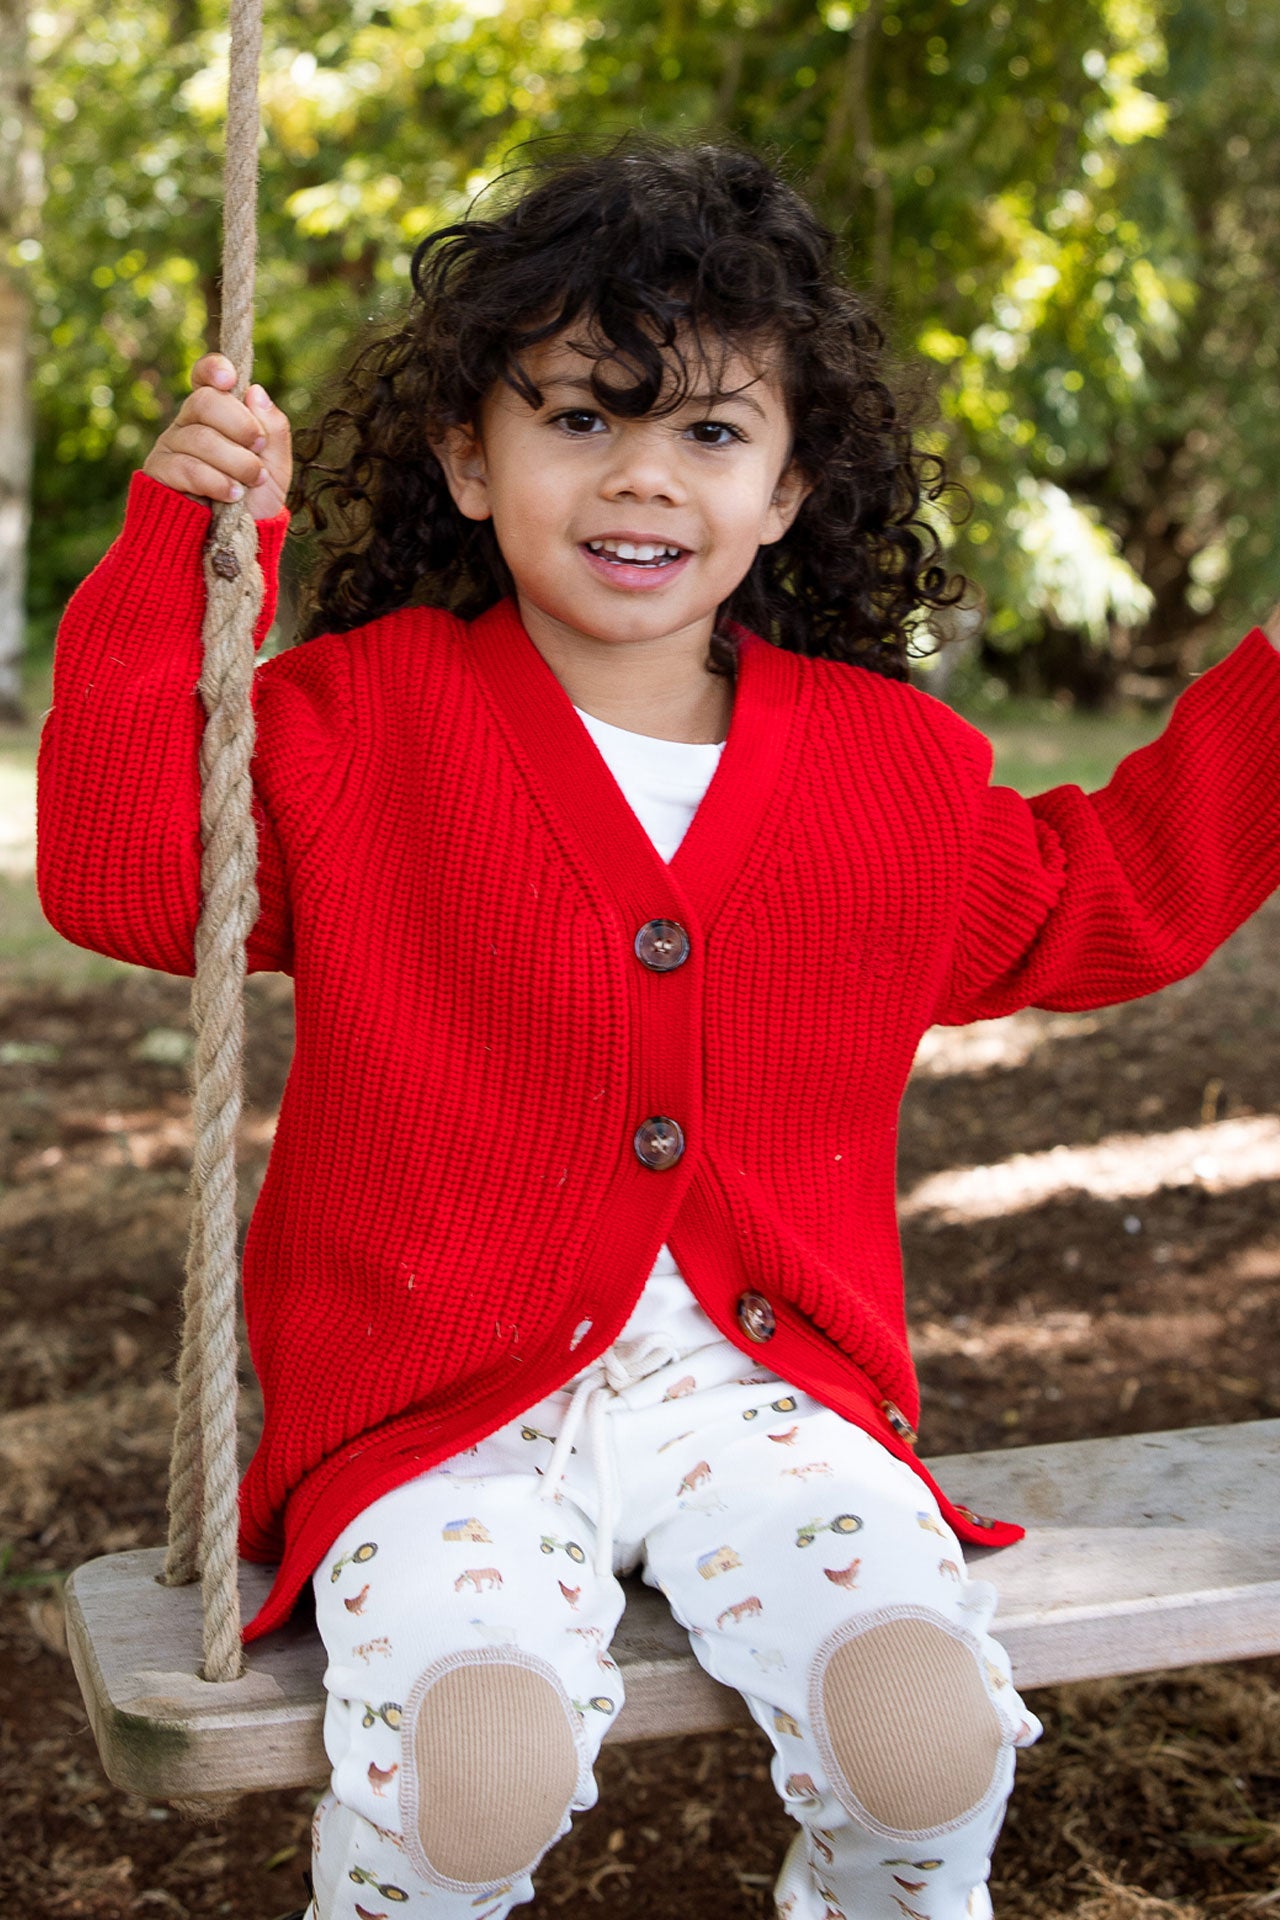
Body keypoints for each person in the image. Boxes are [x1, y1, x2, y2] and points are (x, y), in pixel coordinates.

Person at [36, 132, 1280, 1920]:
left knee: (921, 1733)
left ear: (787, 489)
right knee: (475, 1770)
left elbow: (1117, 895)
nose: (645, 476)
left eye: (709, 431)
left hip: (767, 1398)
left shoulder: (880, 769)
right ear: (469, 457)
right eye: (580, 419)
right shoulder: (352, 730)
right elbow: (123, 871)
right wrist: (182, 546)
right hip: (433, 1405)